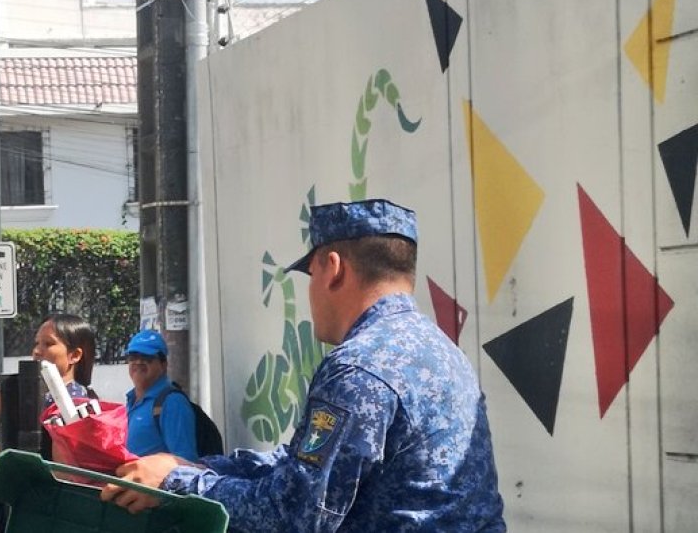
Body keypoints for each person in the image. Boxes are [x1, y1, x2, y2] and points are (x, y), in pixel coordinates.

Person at [101, 199, 505, 532]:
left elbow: (295, 512)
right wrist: (192, 466)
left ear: (332, 267)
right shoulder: (442, 351)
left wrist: (175, 482)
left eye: (309, 274)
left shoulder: (360, 368)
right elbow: (301, 462)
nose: (311, 291)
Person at [123, 329, 198, 461]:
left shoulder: (173, 403)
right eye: (133, 357)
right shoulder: (131, 400)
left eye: (147, 357)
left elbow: (186, 463)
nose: (138, 362)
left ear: (163, 365)